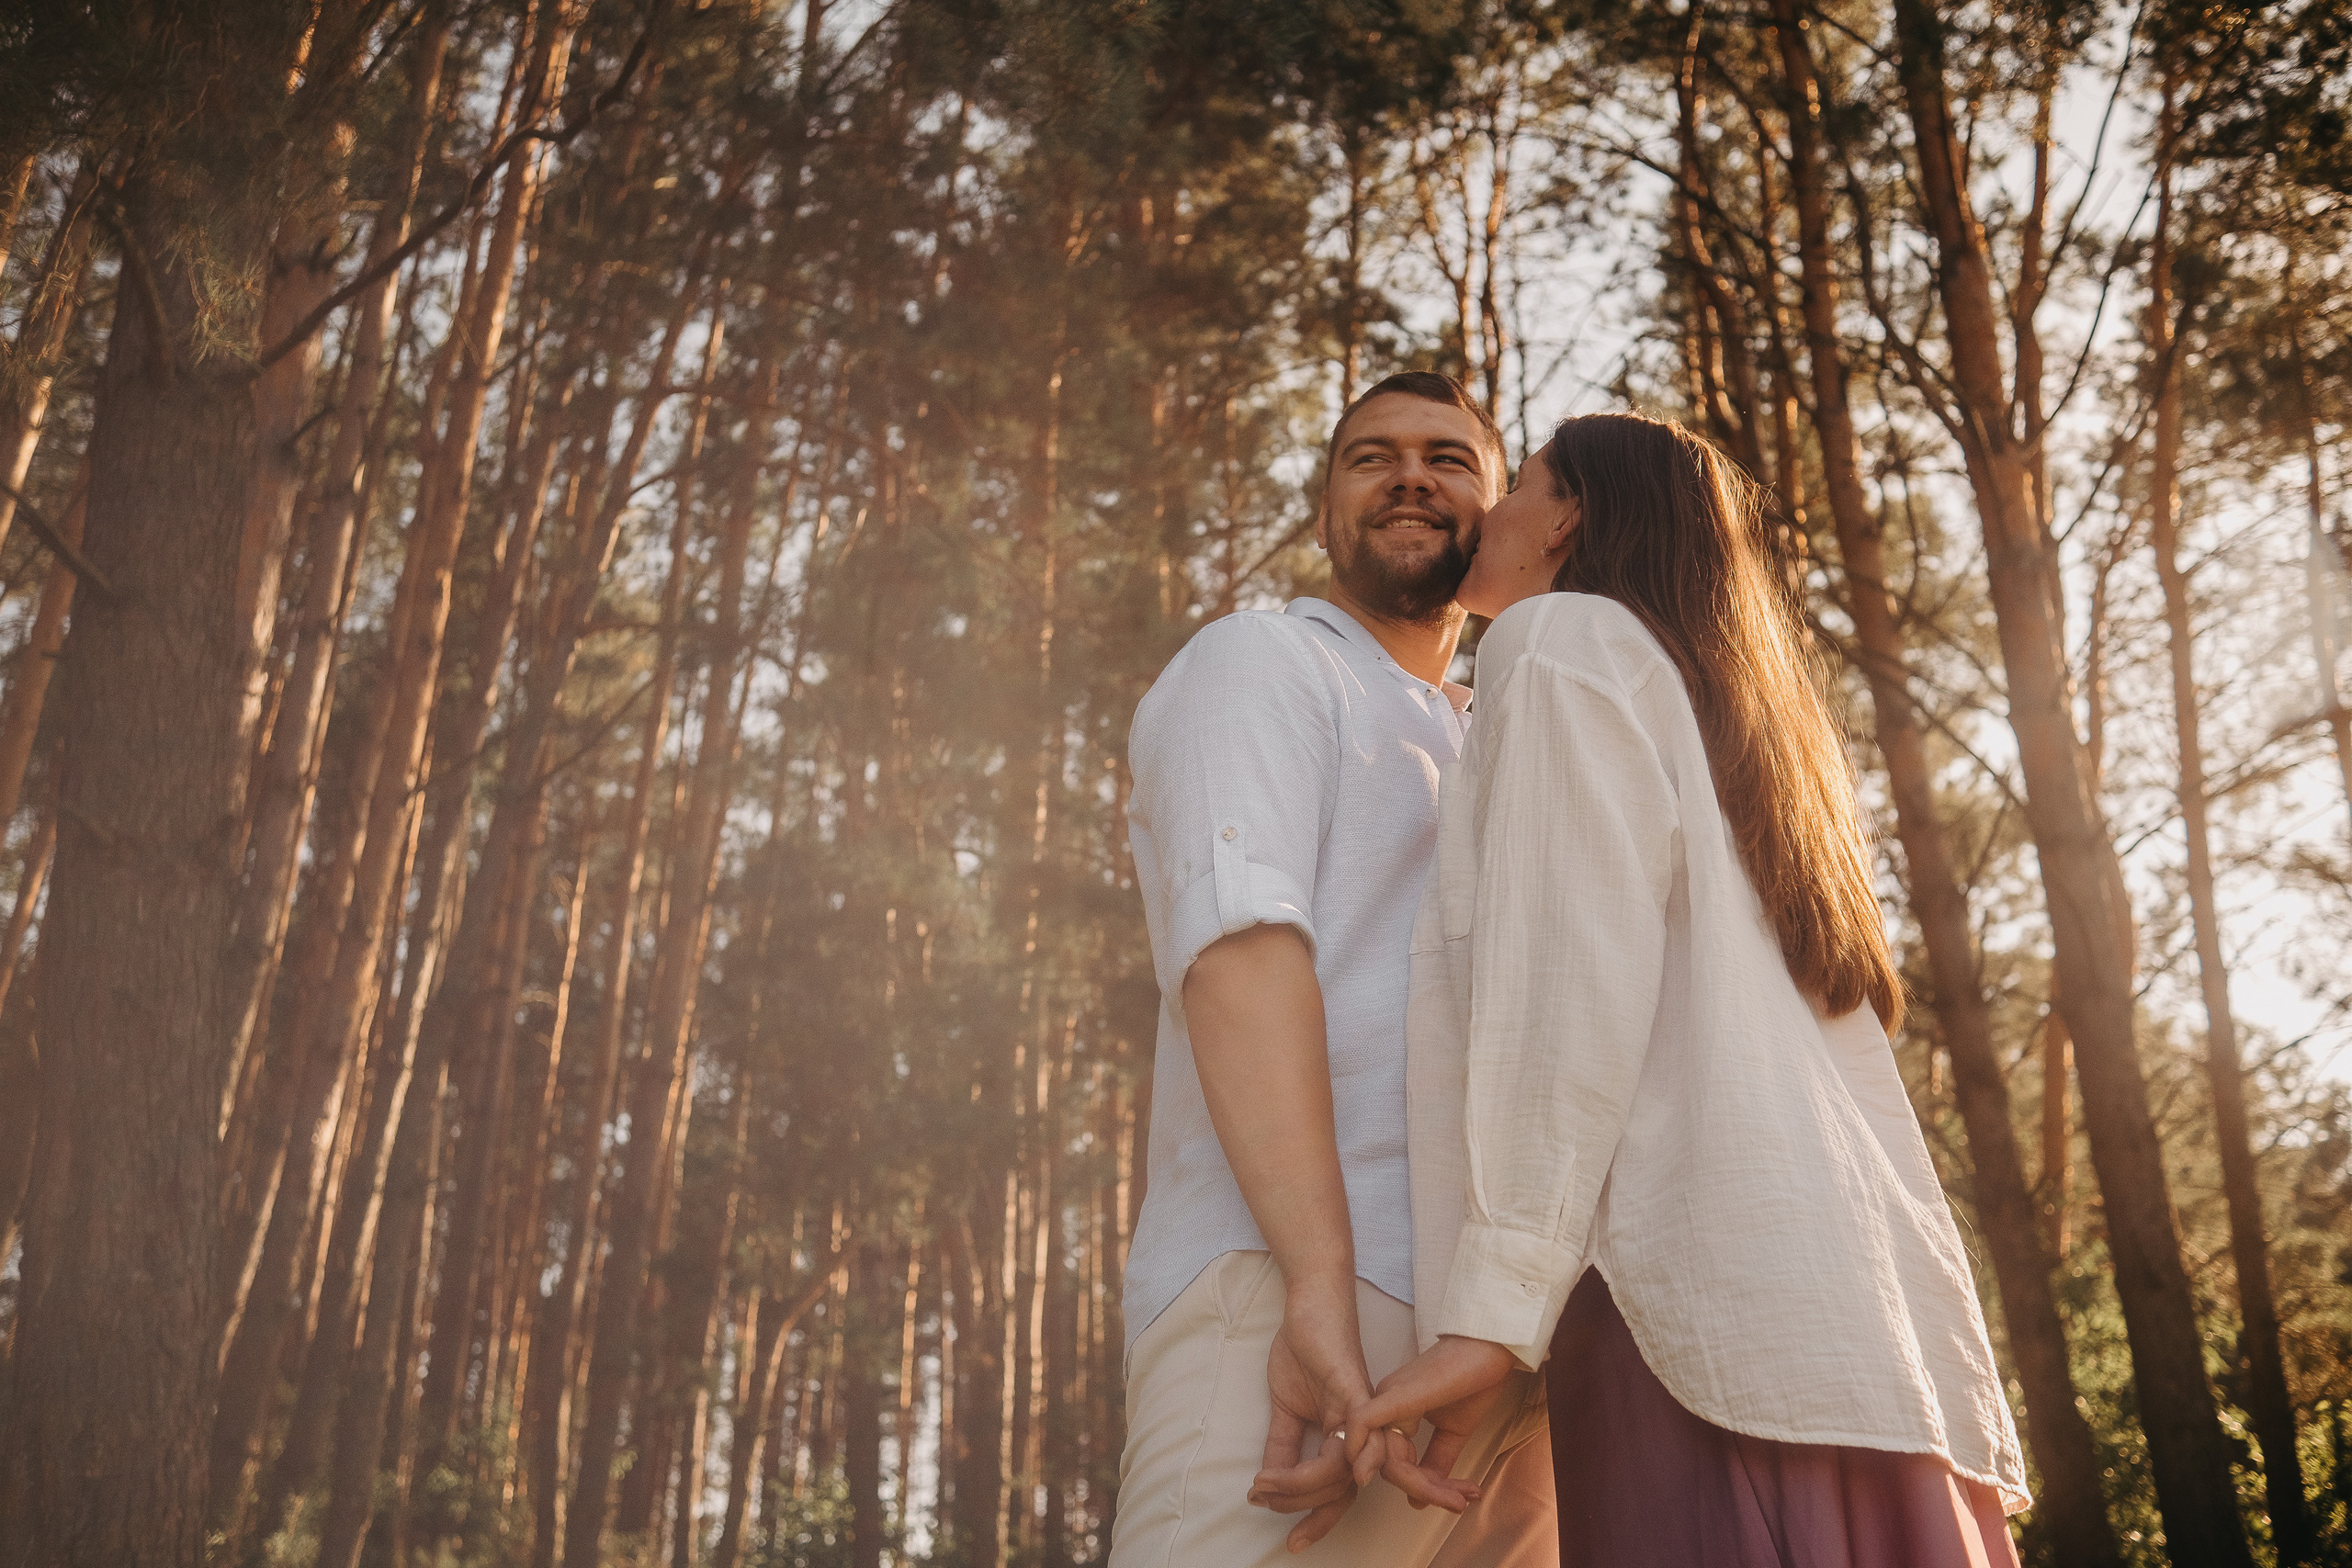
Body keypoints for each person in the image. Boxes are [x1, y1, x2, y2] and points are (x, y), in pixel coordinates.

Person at [1346, 412, 2031, 1566]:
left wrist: (1492, 1318)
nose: (1488, 515)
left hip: (1693, 1329)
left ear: (1566, 519)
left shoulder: (1556, 641)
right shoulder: (1740, 730)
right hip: (1871, 1347)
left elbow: (1564, 987)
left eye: (1516, 486)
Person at [1111, 373, 1554, 1567]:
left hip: (1506, 1344)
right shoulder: (1261, 661)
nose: (1410, 475)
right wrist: (1316, 1282)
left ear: (1504, 513)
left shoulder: (1507, 726)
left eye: (1448, 459)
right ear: (1320, 514)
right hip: (1298, 1288)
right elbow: (1240, 950)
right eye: (1371, 456)